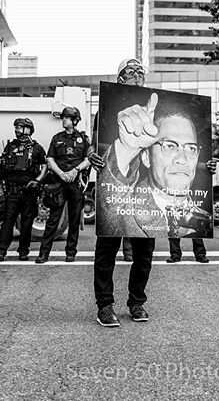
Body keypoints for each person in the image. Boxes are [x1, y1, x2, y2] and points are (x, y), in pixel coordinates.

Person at [88, 58, 157, 327]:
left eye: (141, 71)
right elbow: (93, 145)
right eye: (131, 71)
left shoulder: (158, 108)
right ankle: (104, 305)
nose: (137, 75)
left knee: (144, 251)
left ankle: (136, 301)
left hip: (145, 193)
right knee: (107, 249)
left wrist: (206, 166)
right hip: (114, 187)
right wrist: (92, 156)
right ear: (120, 78)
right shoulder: (105, 110)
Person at [97, 93, 211, 239]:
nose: (182, 159)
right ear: (146, 157)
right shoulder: (125, 211)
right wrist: (126, 149)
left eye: (191, 148)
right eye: (170, 146)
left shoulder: (206, 218)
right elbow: (109, 210)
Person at [36, 106, 90, 263]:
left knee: (74, 221)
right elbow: (50, 159)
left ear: (74, 121)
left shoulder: (83, 139)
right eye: (63, 118)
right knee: (53, 220)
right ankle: (43, 254)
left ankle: (70, 253)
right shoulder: (56, 138)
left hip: (75, 184)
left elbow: (89, 158)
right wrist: (61, 174)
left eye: (66, 118)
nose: (63, 120)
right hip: (58, 184)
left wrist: (75, 171)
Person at [0, 118, 47, 262]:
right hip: (12, 192)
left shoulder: (37, 148)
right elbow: (2, 167)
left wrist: (37, 181)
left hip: (29, 192)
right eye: (16, 127)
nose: (17, 129)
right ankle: (0, 251)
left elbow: (44, 167)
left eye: (20, 127)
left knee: (27, 223)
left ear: (29, 130)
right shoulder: (10, 146)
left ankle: (23, 251)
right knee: (7, 222)